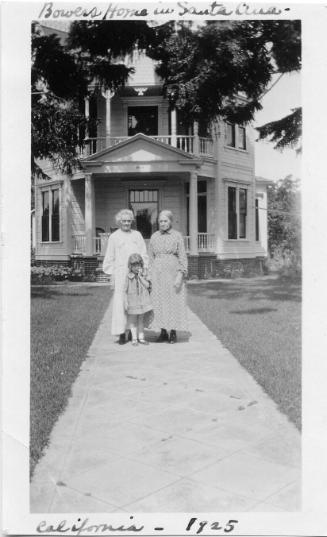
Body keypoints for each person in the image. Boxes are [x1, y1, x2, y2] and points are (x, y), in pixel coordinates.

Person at [103, 209, 148, 344]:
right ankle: (122, 333)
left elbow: (144, 254)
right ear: (119, 222)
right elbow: (110, 257)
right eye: (124, 221)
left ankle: (133, 332)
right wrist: (112, 275)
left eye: (129, 221)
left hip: (136, 274)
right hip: (121, 273)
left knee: (134, 303)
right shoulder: (114, 237)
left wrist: (143, 270)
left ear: (132, 221)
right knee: (120, 303)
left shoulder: (137, 235)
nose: (126, 223)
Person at [148, 210, 188, 344]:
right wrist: (149, 276)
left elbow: (182, 256)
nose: (163, 223)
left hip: (172, 273)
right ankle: (163, 331)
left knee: (173, 302)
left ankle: (173, 332)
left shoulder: (177, 236)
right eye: (160, 221)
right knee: (159, 302)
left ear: (170, 221)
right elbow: (150, 257)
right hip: (157, 274)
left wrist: (180, 275)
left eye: (165, 221)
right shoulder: (154, 236)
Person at [124, 253, 153, 346]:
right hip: (132, 302)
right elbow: (124, 290)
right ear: (130, 266)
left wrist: (140, 277)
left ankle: (141, 338)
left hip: (142, 302)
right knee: (132, 321)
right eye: (134, 265)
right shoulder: (128, 277)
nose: (137, 267)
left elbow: (148, 285)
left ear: (141, 265)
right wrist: (125, 301)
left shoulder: (143, 275)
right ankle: (134, 338)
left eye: (138, 265)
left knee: (141, 320)